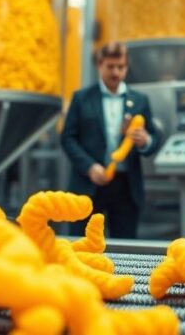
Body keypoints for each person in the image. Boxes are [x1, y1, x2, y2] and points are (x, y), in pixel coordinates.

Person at [61, 42, 160, 238]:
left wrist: (145, 141)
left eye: (120, 67)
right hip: (88, 185)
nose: (116, 72)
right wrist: (89, 166)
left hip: (125, 187)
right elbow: (67, 138)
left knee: (126, 246)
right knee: (83, 246)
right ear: (99, 65)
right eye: (110, 67)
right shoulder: (81, 98)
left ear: (126, 67)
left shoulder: (140, 100)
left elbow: (154, 138)